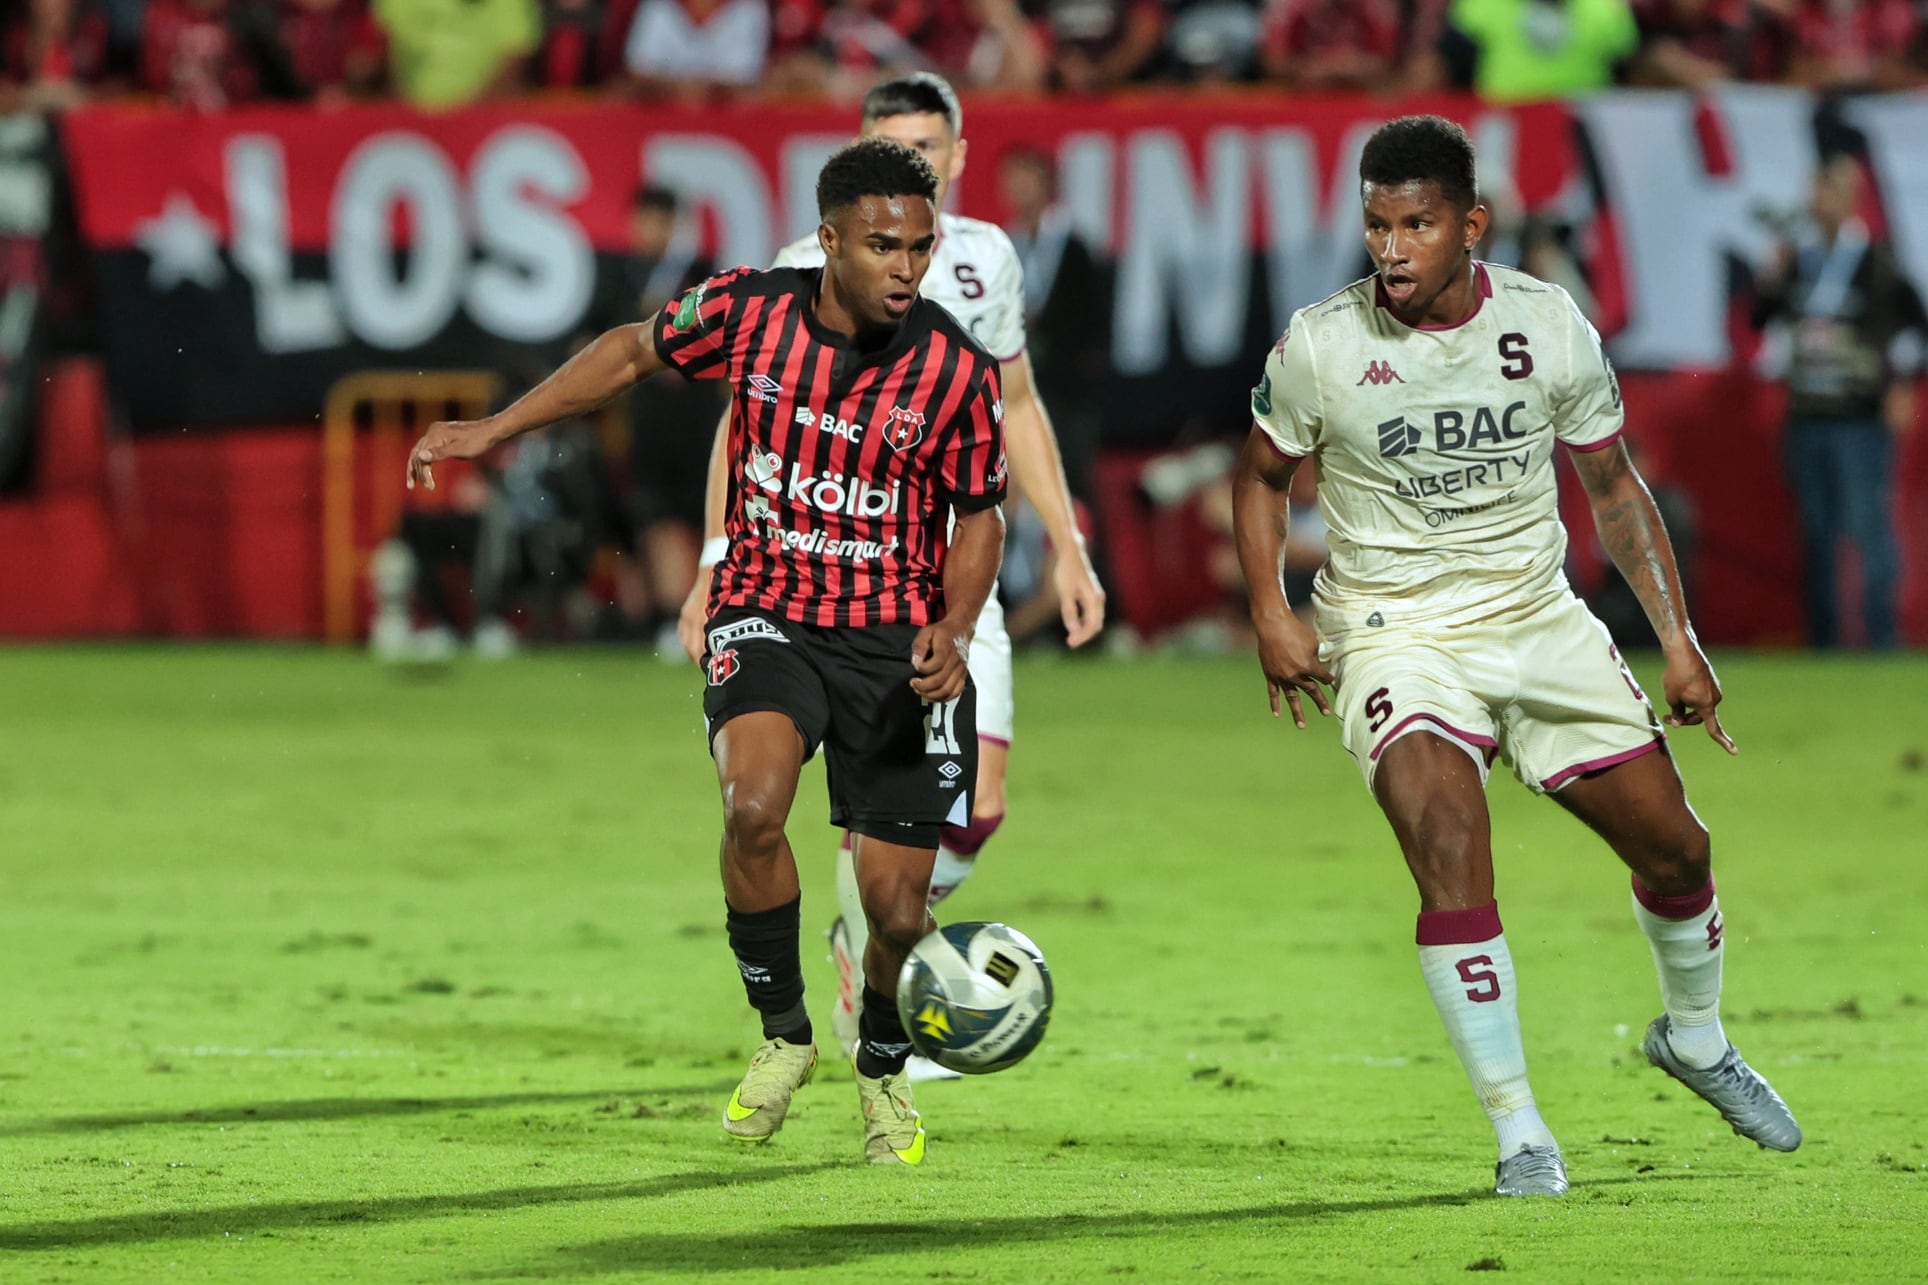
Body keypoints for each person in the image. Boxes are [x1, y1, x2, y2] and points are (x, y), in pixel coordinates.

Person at [407, 138, 1009, 1166]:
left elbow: (980, 516)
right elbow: (633, 350)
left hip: (892, 641)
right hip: (766, 608)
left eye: (918, 245)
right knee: (751, 808)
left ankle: (879, 1065)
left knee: (895, 908)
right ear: (828, 242)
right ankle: (783, 1037)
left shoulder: (954, 368)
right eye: (880, 246)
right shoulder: (749, 309)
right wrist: (498, 426)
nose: (904, 267)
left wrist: (952, 629)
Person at [1232, 114, 1799, 1198]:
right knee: (1446, 837)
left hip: (1537, 619)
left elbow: (1614, 489)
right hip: (1393, 628)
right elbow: (1258, 472)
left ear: (1469, 224)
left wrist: (1676, 643)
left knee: (1676, 852)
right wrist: (1269, 608)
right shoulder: (1321, 343)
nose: (1389, 249)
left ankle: (1693, 1038)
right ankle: (1518, 1130)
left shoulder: (1546, 326)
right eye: (1374, 225)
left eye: (1415, 224)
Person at [677, 72, 1106, 1081]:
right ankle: (864, 963)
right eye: (890, 144)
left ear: (958, 155)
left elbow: (1015, 405)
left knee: (975, 815)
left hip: (946, 587)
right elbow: (742, 428)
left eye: (927, 146)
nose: (912, 162)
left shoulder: (987, 260)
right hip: (828, 591)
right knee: (818, 806)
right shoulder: (802, 270)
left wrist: (1069, 541)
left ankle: (865, 939)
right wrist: (711, 562)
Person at [1750, 153, 1925, 650]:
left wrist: (1902, 384)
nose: (1818, 201)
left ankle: (1882, 637)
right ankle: (1824, 642)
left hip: (1859, 418)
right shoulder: (1798, 261)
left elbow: (1916, 327)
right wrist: (1772, 276)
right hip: (1807, 415)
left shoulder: (1877, 261)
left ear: (1852, 198)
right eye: (1815, 189)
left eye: (1828, 190)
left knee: (1868, 525)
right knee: (1817, 531)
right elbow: (1761, 320)